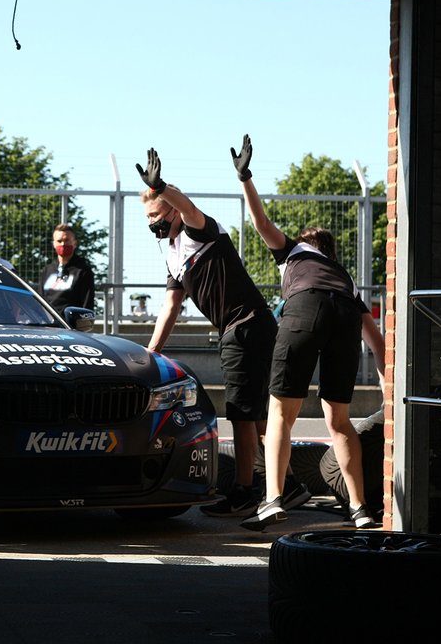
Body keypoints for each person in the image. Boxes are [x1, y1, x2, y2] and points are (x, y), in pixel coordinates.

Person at [235, 134, 386, 530]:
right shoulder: (346, 279)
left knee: (280, 413)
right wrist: (389, 389)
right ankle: (360, 509)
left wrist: (246, 178)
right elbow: (376, 341)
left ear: (306, 244)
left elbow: (261, 223)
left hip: (306, 308)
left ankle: (272, 499)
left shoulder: (295, 253)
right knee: (339, 420)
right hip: (344, 318)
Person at [135, 147, 283, 518]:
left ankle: (245, 490)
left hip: (246, 324)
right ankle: (287, 484)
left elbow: (187, 206)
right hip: (241, 327)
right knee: (256, 415)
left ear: (171, 211)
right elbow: (171, 307)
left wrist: (161, 187)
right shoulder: (172, 253)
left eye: (156, 215)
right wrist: (151, 353)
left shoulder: (198, 230)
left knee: (241, 414)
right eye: (147, 217)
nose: (152, 223)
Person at [38, 223, 96, 313]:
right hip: (47, 320)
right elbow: (40, 300)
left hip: (69, 321)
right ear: (54, 244)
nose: (63, 244)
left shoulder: (83, 271)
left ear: (75, 243)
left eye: (67, 240)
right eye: (59, 241)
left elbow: (87, 305)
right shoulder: (47, 270)